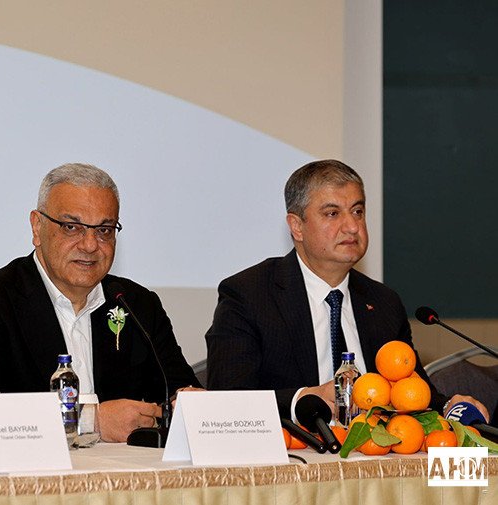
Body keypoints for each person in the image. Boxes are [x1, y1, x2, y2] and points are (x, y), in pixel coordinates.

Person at [205, 159, 490, 423]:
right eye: (332, 213)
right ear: (297, 226)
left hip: (378, 453)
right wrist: (303, 399)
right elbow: (226, 400)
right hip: (293, 453)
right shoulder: (249, 295)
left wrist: (448, 405)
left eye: (358, 211)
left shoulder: (383, 302)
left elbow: (410, 393)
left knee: (470, 460)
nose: (352, 227)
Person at [0, 163, 201, 442]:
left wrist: (190, 407)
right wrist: (91, 421)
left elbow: (178, 392)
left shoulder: (137, 305)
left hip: (127, 467)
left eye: (104, 230)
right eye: (72, 227)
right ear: (37, 227)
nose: (90, 245)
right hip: (37, 467)